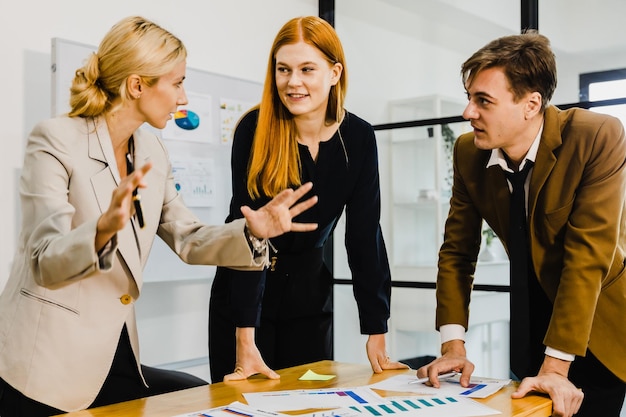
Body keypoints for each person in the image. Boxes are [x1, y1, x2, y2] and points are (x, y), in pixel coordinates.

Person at [0, 16, 318, 417]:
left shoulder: (152, 150)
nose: (183, 97)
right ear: (137, 86)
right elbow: (44, 260)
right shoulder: (55, 140)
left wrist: (250, 232)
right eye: (177, 82)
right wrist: (100, 230)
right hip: (42, 369)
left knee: (206, 399)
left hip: (113, 357)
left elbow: (187, 236)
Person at [417, 31, 626, 417]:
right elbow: (458, 253)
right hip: (530, 322)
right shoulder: (468, 153)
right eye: (469, 98)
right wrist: (452, 346)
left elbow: (587, 258)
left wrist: (556, 368)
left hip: (597, 322)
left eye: (484, 101)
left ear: (531, 105)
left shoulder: (597, 136)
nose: (468, 113)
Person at [208, 15, 407, 383]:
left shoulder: (359, 138)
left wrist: (376, 330)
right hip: (244, 300)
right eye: (283, 69)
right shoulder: (254, 129)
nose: (293, 82)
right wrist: (245, 336)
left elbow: (364, 238)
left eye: (306, 69)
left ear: (334, 73)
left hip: (309, 295)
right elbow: (248, 231)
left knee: (309, 404)